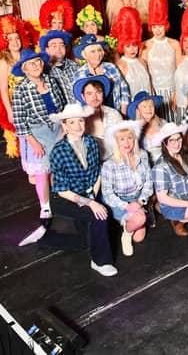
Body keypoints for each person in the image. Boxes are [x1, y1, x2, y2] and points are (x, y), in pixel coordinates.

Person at [19, 103, 117, 277]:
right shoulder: (58, 151)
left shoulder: (91, 142)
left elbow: (97, 173)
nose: (78, 126)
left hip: (87, 193)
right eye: (72, 123)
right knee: (99, 216)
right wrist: (90, 203)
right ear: (64, 125)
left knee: (85, 243)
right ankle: (101, 261)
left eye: (80, 121)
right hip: (64, 199)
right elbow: (62, 190)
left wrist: (92, 194)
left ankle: (44, 238)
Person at [12, 49, 66, 222]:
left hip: (57, 129)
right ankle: (45, 207)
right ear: (25, 70)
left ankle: (60, 200)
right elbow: (19, 122)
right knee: (42, 172)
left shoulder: (51, 81)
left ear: (42, 64)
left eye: (37, 62)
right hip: (36, 133)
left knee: (57, 168)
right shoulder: (21, 90)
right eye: (30, 64)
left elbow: (62, 105)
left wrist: (64, 127)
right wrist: (34, 143)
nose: (35, 66)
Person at [101, 120, 153, 256]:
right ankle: (126, 233)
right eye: (122, 139)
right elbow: (107, 193)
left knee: (139, 238)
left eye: (129, 137)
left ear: (134, 139)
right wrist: (126, 206)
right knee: (140, 220)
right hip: (120, 202)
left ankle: (128, 226)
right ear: (116, 142)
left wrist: (141, 201)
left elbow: (149, 180)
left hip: (138, 199)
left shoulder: (143, 156)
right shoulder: (109, 165)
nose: (126, 142)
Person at [140, 0, 181, 122]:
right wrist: (152, 95)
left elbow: (179, 70)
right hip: (155, 93)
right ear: (151, 27)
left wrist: (177, 92)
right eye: (155, 26)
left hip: (173, 91)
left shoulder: (175, 44)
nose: (158, 30)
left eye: (161, 26)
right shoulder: (145, 46)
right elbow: (145, 74)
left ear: (166, 25)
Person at [0, 15, 34, 157]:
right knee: (25, 140)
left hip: (31, 102)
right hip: (17, 106)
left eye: (17, 38)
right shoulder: (4, 61)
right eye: (10, 39)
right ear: (5, 42)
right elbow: (3, 88)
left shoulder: (28, 56)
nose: (14, 42)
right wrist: (9, 111)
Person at [73, 34, 131, 115]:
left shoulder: (111, 68)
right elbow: (79, 102)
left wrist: (123, 113)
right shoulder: (79, 74)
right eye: (92, 51)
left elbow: (124, 89)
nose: (97, 54)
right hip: (93, 117)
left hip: (115, 113)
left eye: (99, 50)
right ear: (84, 55)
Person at [73, 75, 123, 161]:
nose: (94, 97)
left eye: (98, 92)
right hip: (89, 163)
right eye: (89, 93)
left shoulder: (114, 114)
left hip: (113, 160)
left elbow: (122, 141)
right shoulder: (77, 117)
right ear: (83, 96)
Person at [114, 6, 152, 97]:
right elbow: (119, 93)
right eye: (128, 46)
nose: (132, 49)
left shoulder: (142, 62)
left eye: (135, 45)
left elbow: (150, 86)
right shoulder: (120, 66)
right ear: (123, 46)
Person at [39, 30, 80, 104]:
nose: (58, 49)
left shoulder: (76, 67)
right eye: (54, 46)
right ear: (47, 50)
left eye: (61, 45)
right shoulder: (43, 72)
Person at [127, 91, 165, 164]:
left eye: (151, 105)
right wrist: (138, 124)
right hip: (145, 166)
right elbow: (133, 153)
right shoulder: (132, 129)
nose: (149, 109)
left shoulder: (163, 123)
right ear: (137, 110)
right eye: (144, 106)